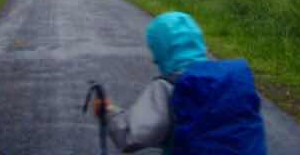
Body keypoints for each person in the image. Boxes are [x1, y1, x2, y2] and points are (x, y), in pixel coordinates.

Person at [96, 11, 267, 154]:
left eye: (155, 49)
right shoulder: (233, 80)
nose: (155, 59)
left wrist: (108, 112)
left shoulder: (169, 87)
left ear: (163, 50)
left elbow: (131, 136)